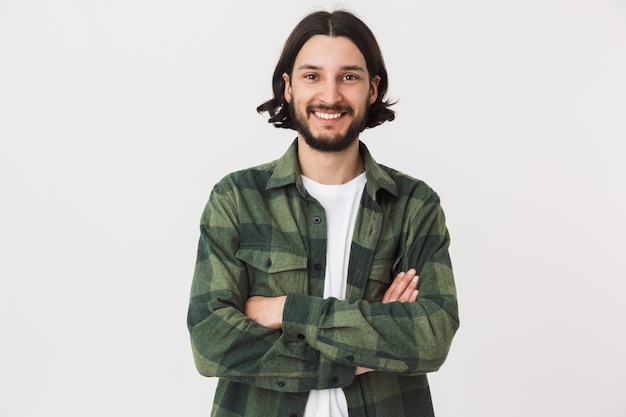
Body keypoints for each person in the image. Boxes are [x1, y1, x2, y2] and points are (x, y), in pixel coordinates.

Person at [187, 9, 459, 417]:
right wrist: (366, 349)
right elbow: (211, 341)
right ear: (288, 88)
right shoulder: (237, 199)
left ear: (372, 88)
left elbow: (431, 336)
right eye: (312, 76)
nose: (330, 96)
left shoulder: (413, 205)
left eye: (348, 76)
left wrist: (284, 310)